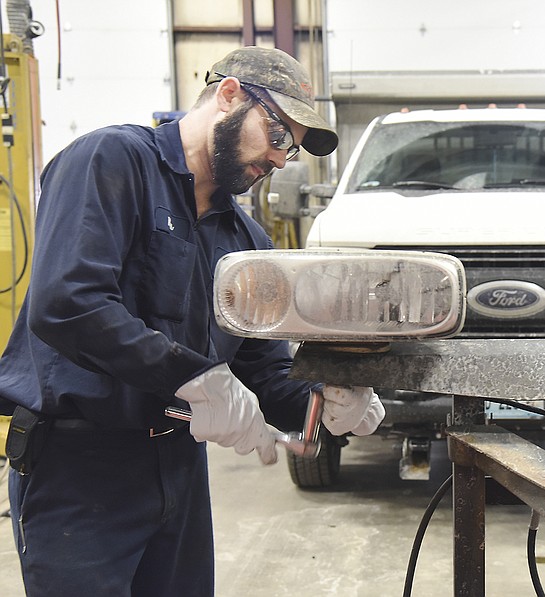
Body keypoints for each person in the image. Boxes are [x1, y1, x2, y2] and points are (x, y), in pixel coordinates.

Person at [0, 46, 384, 596]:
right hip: (80, 469)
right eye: (277, 134)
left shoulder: (244, 242)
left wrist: (325, 401)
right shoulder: (112, 160)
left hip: (179, 465)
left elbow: (260, 367)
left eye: (291, 148)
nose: (281, 159)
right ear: (229, 96)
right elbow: (68, 302)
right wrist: (191, 375)